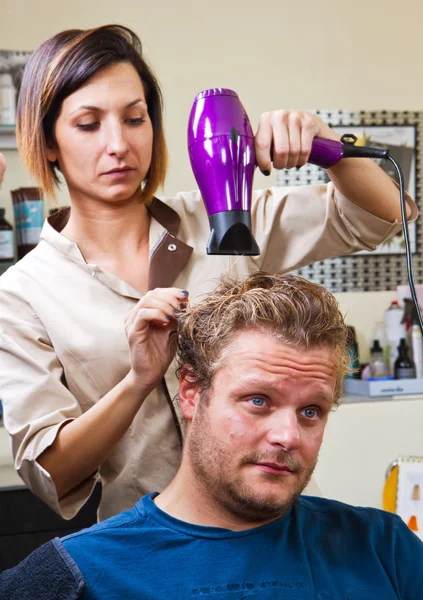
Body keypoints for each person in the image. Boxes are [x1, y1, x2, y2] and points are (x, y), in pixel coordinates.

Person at [0, 24, 417, 523]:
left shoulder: (226, 212)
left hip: (277, 525)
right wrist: (138, 380)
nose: (119, 145)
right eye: (88, 124)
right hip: (150, 553)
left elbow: (384, 216)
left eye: (135, 119)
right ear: (48, 143)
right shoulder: (23, 293)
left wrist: (327, 144)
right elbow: (51, 473)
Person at [1, 272, 422, 599]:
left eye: (311, 411)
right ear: (191, 392)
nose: (288, 435)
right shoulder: (81, 575)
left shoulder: (382, 549)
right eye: (258, 400)